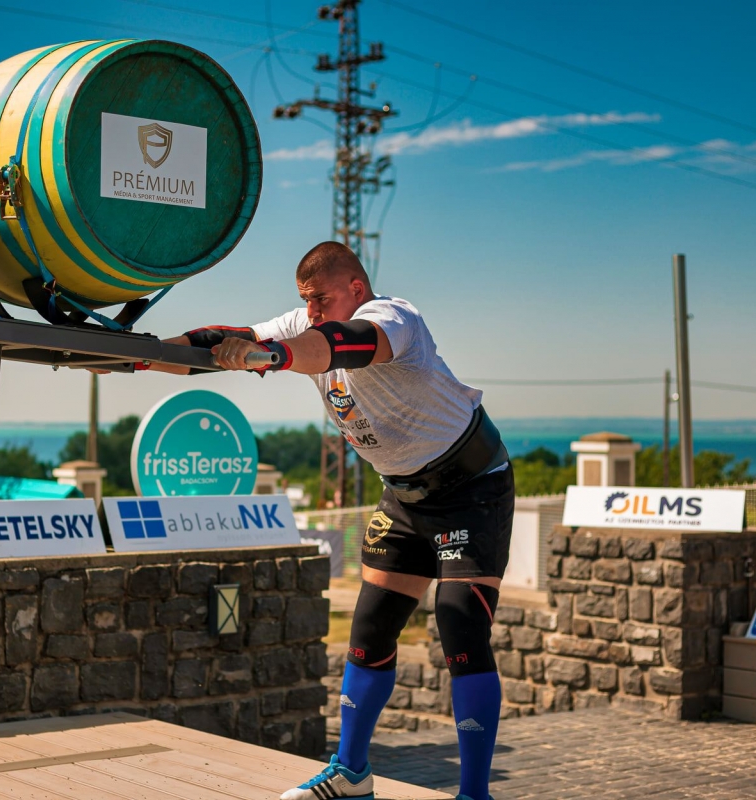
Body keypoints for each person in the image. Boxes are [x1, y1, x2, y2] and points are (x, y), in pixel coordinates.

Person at [123, 241, 513, 800]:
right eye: (304, 300)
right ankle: (351, 774)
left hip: (471, 488)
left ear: (356, 289)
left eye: (320, 299)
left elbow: (343, 345)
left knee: (460, 626)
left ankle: (475, 795)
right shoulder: (304, 322)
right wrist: (136, 355)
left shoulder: (393, 318)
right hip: (405, 496)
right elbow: (217, 341)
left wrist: (272, 357)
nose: (310, 312)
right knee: (370, 630)